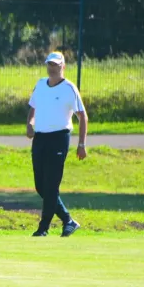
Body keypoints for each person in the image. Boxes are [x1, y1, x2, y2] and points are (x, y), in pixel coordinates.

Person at [26, 51, 88, 237]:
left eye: (56, 65)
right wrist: (30, 123)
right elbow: (33, 107)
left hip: (59, 139)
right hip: (40, 139)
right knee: (40, 186)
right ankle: (68, 220)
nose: (52, 68)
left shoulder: (69, 88)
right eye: (50, 65)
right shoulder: (40, 84)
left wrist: (82, 144)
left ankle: (43, 227)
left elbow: (82, 116)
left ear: (63, 66)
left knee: (51, 185)